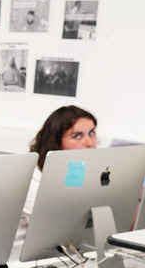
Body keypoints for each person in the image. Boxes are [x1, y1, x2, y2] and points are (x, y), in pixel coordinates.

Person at [15, 106, 98, 257]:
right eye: (77, 136)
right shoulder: (32, 176)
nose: (89, 142)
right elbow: (52, 229)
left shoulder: (79, 169)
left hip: (67, 255)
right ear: (56, 141)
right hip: (26, 261)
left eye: (91, 133)